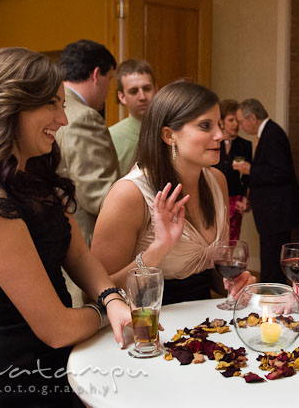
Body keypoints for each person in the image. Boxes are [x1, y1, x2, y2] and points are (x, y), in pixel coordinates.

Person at [0, 47, 132, 406]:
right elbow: (57, 328)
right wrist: (103, 311)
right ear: (9, 104)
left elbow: (76, 252)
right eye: (52, 104)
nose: (62, 119)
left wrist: (110, 296)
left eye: (63, 104)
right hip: (6, 380)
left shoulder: (31, 172)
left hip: (61, 364)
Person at [92, 81, 255, 305]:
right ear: (169, 136)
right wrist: (158, 249)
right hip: (147, 325)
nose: (220, 134)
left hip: (200, 325)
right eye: (206, 126)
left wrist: (232, 283)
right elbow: (95, 293)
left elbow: (210, 276)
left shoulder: (217, 181)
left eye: (219, 124)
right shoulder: (129, 194)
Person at [55, 39, 119, 246]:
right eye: (109, 79)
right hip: (84, 241)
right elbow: (99, 196)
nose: (108, 89)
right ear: (96, 75)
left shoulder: (52, 106)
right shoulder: (84, 117)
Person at [234, 99, 299, 284]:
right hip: (271, 213)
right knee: (271, 260)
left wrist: (250, 170)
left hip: (276, 213)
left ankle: (272, 299)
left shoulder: (272, 134)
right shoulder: (267, 133)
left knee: (272, 263)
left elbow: (281, 172)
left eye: (241, 121)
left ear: (252, 117)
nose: (240, 126)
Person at [109, 59, 156, 174]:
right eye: (134, 91)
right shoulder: (110, 137)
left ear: (156, 89)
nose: (142, 97)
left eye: (147, 88)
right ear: (122, 97)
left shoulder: (172, 131)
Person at [214, 99, 252, 241]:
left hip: (235, 198)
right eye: (231, 120)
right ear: (222, 122)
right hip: (214, 198)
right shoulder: (213, 143)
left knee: (231, 239)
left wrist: (245, 198)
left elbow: (248, 177)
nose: (236, 124)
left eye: (237, 120)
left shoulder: (245, 145)